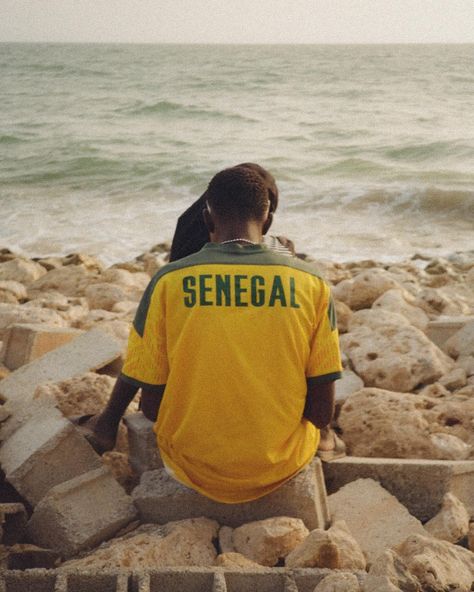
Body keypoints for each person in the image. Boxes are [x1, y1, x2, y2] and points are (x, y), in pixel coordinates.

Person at [77, 165, 344, 502]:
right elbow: (321, 413)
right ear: (269, 221)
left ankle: (106, 424)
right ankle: (327, 441)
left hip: (192, 464)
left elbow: (152, 407)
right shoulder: (312, 283)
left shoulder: (168, 281)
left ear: (207, 220)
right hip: (280, 464)